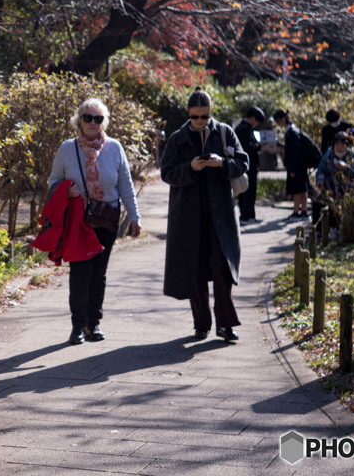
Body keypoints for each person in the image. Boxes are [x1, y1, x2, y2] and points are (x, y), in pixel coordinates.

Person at [44, 98, 141, 345]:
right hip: (79, 220)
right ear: (79, 120)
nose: (93, 123)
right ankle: (77, 326)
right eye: (88, 117)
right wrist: (67, 189)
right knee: (79, 272)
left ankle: (93, 323)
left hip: (107, 219)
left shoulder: (115, 148)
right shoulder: (67, 148)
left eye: (98, 119)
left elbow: (126, 186)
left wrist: (134, 217)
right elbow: (54, 179)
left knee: (99, 274)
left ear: (103, 122)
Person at [160, 88, 248, 342]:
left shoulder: (224, 132)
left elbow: (244, 162)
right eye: (196, 117)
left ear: (211, 113)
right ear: (188, 113)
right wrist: (190, 167)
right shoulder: (177, 138)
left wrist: (222, 163)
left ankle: (225, 324)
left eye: (204, 117)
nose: (200, 121)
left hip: (220, 213)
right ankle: (201, 324)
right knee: (194, 269)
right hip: (188, 215)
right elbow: (167, 172)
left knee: (222, 268)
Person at [315, 132, 354, 241]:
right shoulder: (329, 153)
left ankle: (339, 229)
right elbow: (320, 170)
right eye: (337, 144)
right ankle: (319, 232)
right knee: (318, 202)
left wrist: (345, 167)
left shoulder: (352, 154)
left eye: (342, 144)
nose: (339, 147)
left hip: (348, 187)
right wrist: (320, 181)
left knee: (341, 200)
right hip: (330, 186)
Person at [272, 109, 310, 219]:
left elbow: (294, 152)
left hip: (296, 165)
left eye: (278, 121)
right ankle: (303, 210)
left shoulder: (291, 132)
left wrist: (292, 168)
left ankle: (296, 211)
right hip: (301, 165)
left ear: (283, 118)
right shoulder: (294, 129)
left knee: (297, 190)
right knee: (303, 189)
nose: (278, 124)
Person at [234, 107, 265, 225]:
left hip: (245, 165)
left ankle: (247, 216)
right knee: (249, 191)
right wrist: (259, 146)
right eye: (257, 121)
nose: (257, 124)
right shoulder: (244, 129)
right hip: (248, 165)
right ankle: (247, 216)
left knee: (245, 190)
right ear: (252, 118)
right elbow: (247, 147)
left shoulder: (242, 127)